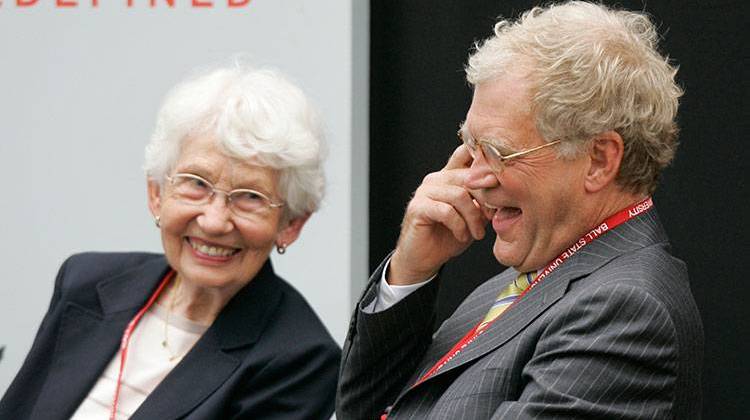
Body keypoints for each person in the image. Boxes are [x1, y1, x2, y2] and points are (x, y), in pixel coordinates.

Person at [337, 2, 703, 419]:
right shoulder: (523, 282)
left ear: (600, 159)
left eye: (496, 152)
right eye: (469, 145)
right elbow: (360, 411)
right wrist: (410, 274)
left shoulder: (625, 311)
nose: (473, 177)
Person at [1, 65, 340, 419]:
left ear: (291, 224)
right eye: (196, 183)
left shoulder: (299, 361)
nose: (214, 221)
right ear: (156, 193)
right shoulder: (84, 283)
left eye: (250, 197)